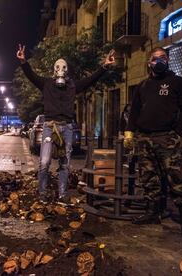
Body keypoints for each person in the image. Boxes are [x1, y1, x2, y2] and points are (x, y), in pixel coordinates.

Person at [16, 44, 115, 205]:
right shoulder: (46, 84)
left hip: (67, 127)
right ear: (54, 70)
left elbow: (90, 80)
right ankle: (42, 193)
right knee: (44, 161)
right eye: (58, 67)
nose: (60, 69)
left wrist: (104, 66)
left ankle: (62, 194)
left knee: (65, 163)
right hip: (49, 126)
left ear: (66, 70)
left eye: (63, 67)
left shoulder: (72, 86)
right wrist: (23, 61)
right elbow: (32, 76)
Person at [124, 47, 182, 237]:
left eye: (163, 58)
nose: (159, 61)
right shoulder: (143, 85)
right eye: (155, 59)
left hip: (166, 138)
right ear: (149, 63)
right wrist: (129, 132)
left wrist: (177, 132)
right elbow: (134, 111)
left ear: (168, 60)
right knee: (148, 177)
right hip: (144, 138)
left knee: (175, 178)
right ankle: (152, 213)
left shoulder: (177, 83)